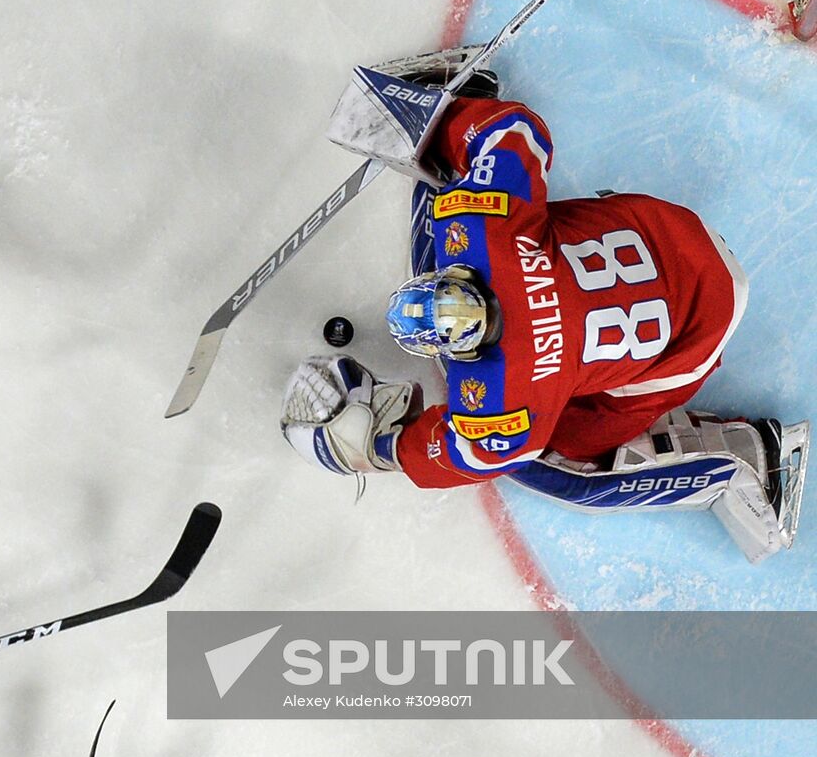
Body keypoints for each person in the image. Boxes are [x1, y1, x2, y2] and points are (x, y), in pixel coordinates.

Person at [281, 66, 809, 563]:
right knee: (466, 208)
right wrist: (438, 123)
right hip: (677, 236)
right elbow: (514, 131)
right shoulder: (488, 244)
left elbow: (485, 457)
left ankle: (748, 460)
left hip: (700, 328)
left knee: (568, 459)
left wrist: (375, 446)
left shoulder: (507, 392)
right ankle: (458, 95)